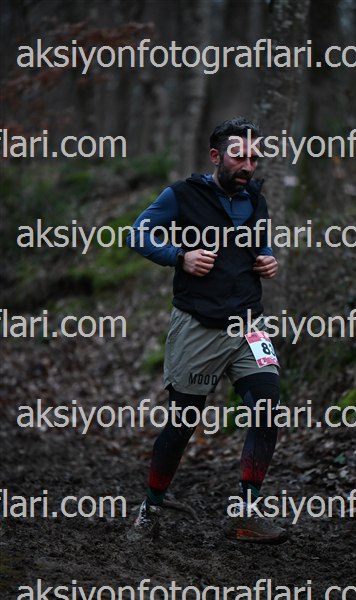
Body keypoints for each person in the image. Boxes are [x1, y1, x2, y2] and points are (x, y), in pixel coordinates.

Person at [127, 117, 287, 543]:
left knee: (268, 407)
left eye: (254, 158)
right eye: (239, 156)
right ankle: (150, 508)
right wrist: (180, 256)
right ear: (216, 156)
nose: (247, 165)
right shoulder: (181, 195)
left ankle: (247, 512)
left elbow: (261, 241)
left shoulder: (256, 198)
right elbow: (137, 234)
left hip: (248, 323)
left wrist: (267, 258)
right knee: (182, 423)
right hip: (198, 324)